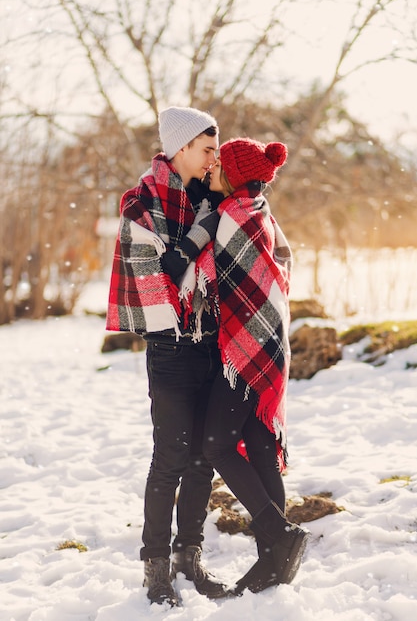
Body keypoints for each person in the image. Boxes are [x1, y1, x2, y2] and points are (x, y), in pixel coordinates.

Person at [106, 106, 228, 607]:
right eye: (206, 149)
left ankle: (189, 557)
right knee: (172, 457)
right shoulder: (142, 205)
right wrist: (208, 217)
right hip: (170, 348)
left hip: (212, 343)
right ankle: (155, 566)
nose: (212, 159)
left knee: (204, 459)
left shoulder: (216, 199)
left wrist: (217, 209)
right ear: (180, 148)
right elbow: (170, 272)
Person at [200, 137, 310, 595]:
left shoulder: (231, 218)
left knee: (216, 445)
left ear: (233, 174)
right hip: (269, 348)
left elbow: (195, 271)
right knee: (260, 448)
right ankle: (272, 565)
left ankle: (279, 536)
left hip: (246, 353)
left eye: (217, 165)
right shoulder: (260, 210)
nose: (210, 172)